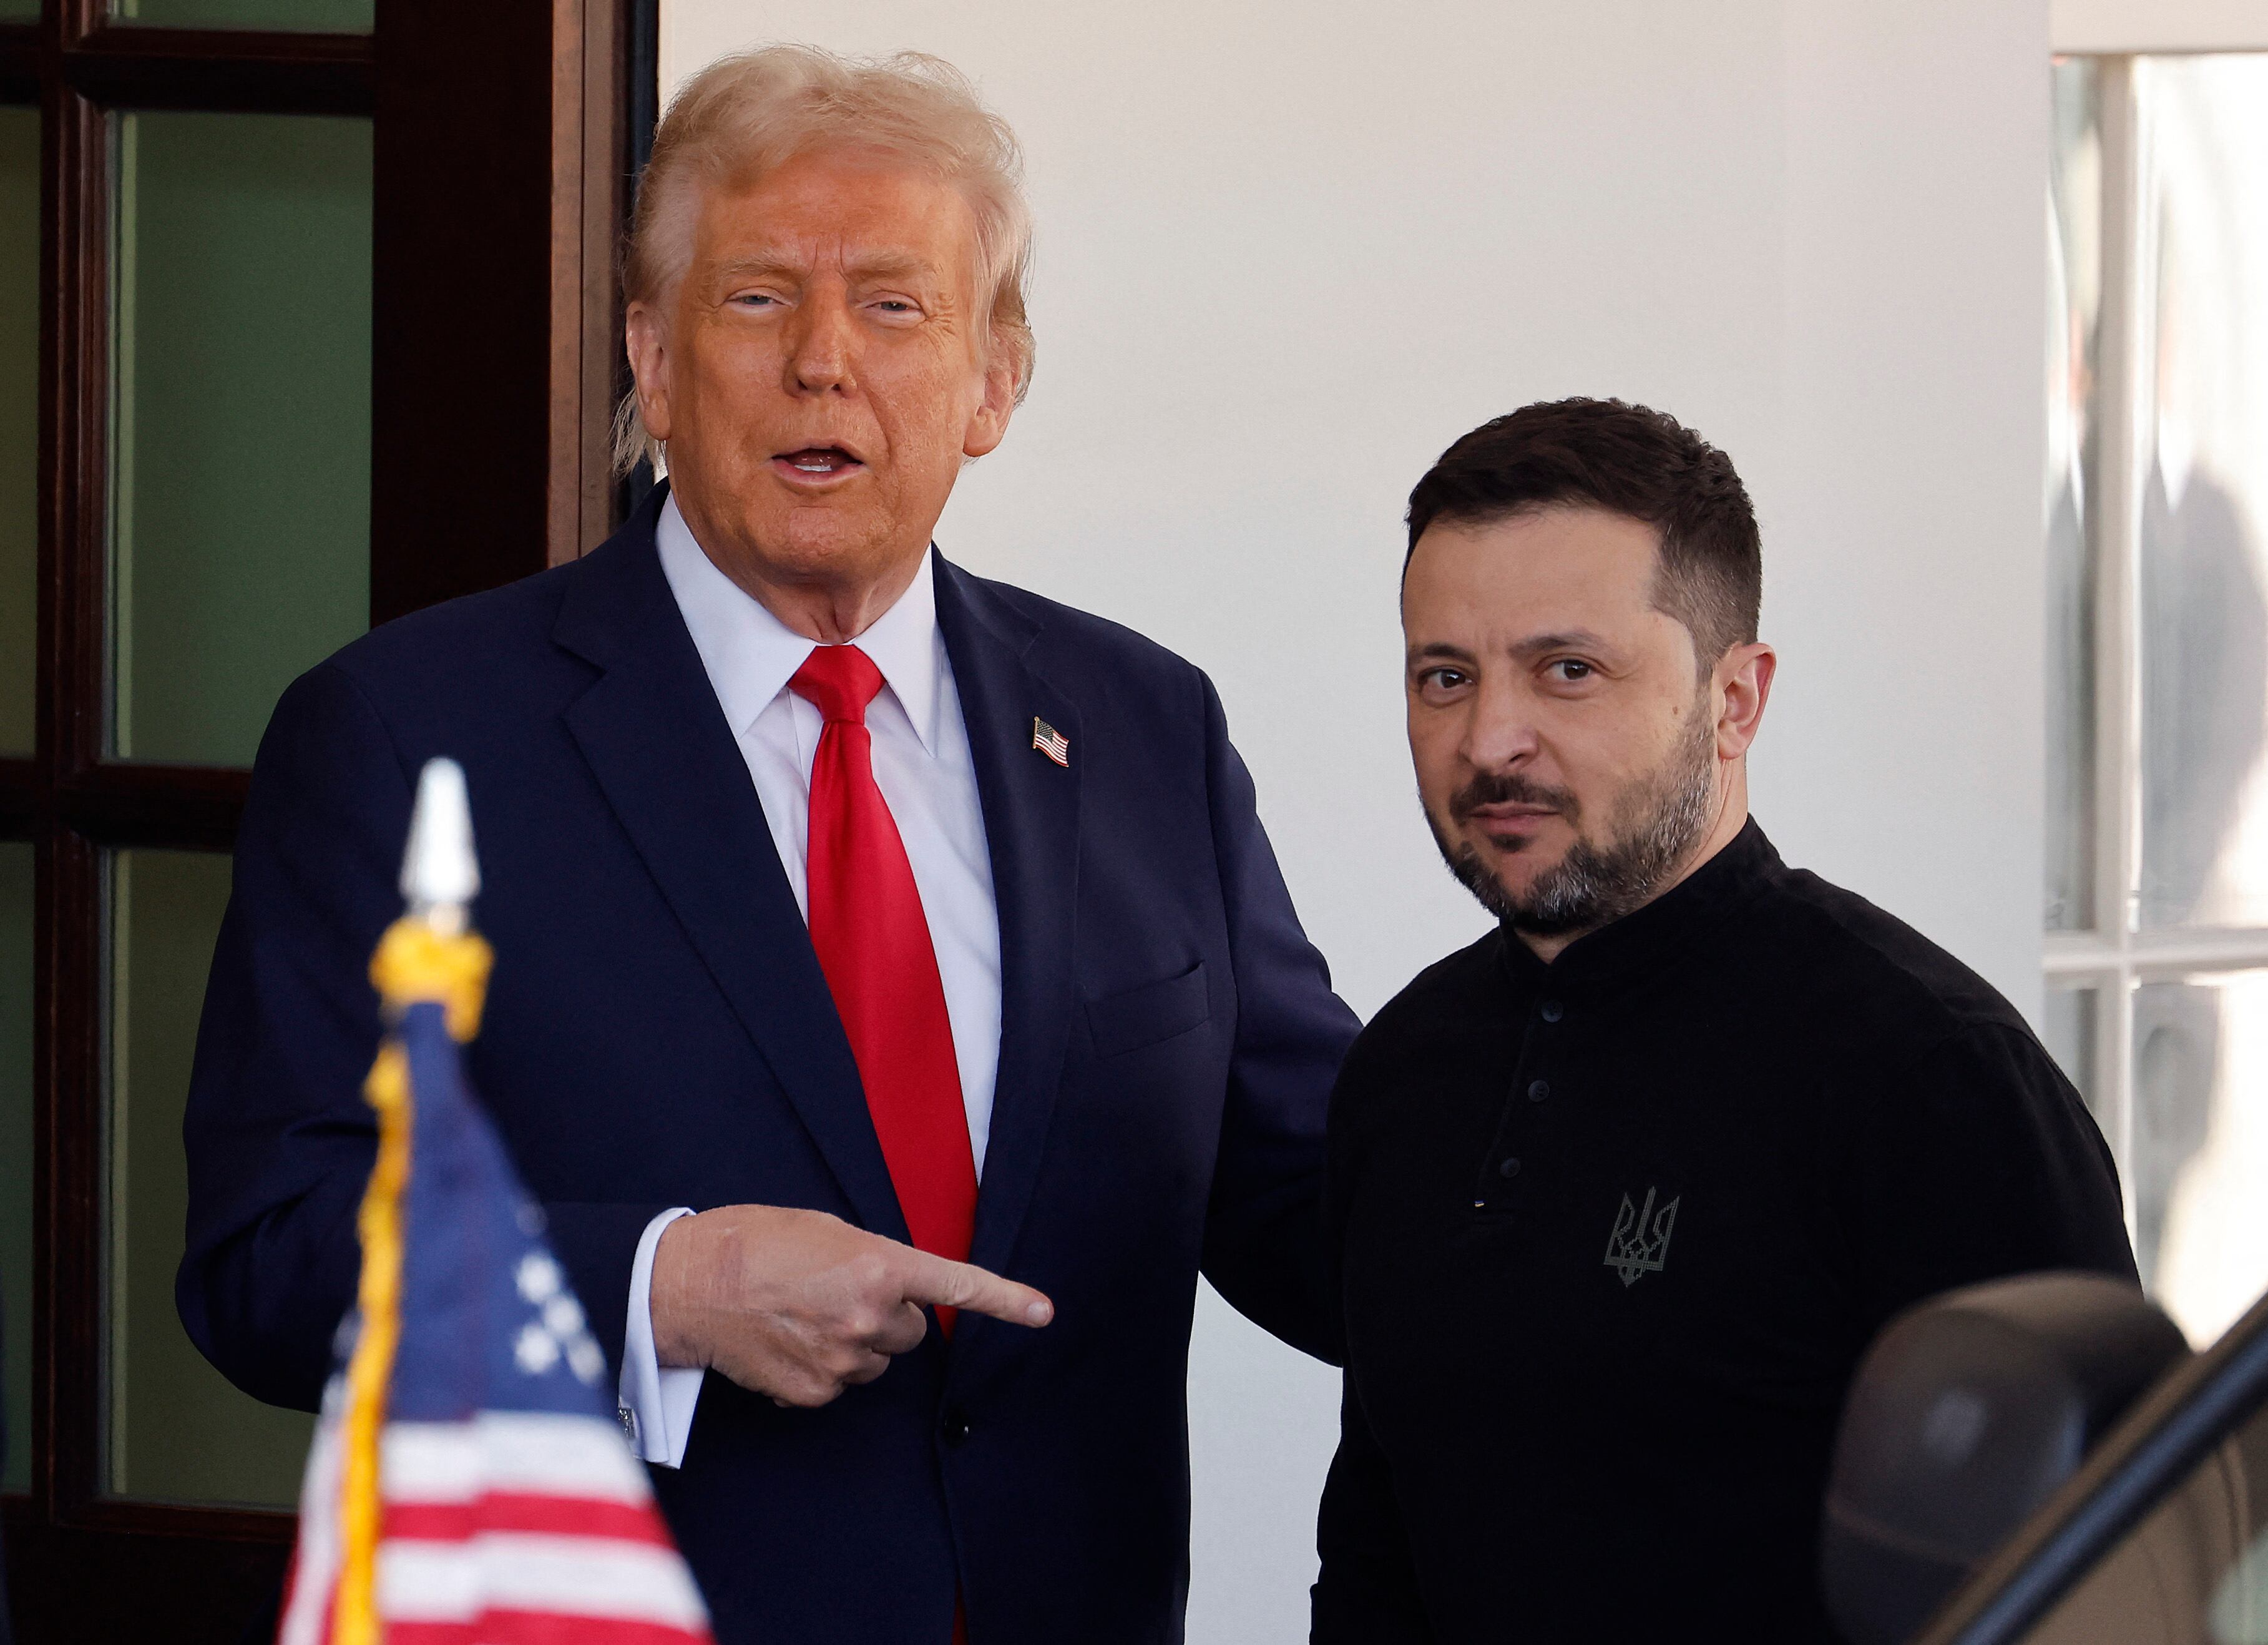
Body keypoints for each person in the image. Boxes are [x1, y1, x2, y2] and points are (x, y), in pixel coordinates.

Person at [178, 47, 1357, 1645]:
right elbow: (269, 1254)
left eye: (893, 305)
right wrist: (661, 1289)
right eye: (755, 300)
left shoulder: (1142, 723)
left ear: (994, 381)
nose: (821, 362)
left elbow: (1315, 1197)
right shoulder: (405, 734)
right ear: (653, 363)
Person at [1309, 398, 2138, 1641]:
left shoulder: (1929, 1076)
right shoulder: (1403, 1067)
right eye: (1445, 677)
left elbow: (2100, 1592)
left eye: (1567, 670)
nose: (1489, 740)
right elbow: (1375, 1555)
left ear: (1734, 700)